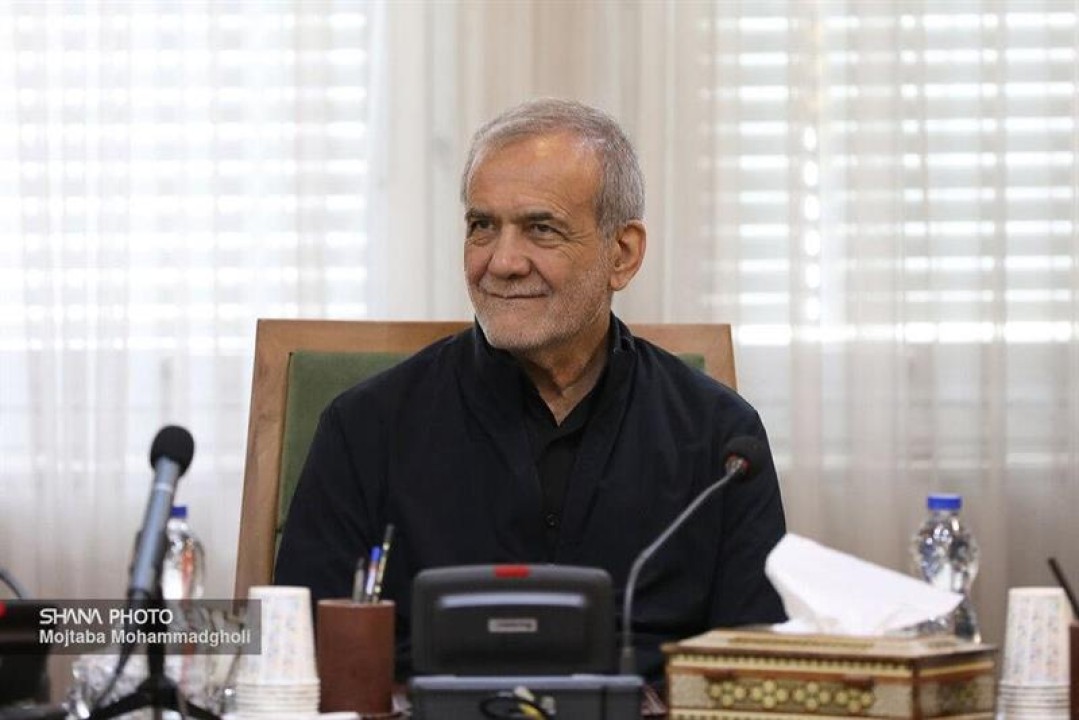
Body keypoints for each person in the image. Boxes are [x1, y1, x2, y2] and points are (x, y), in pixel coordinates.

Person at [274, 98, 786, 680]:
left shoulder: (721, 441)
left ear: (622, 254)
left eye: (541, 229)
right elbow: (295, 654)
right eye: (482, 226)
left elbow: (755, 667)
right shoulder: (366, 428)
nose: (502, 262)